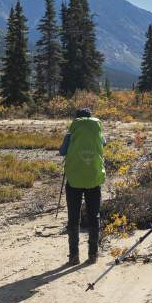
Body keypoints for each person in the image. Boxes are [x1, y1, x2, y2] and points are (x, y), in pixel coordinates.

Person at [58, 107, 105, 266]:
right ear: (91, 118)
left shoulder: (71, 133)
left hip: (74, 180)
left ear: (76, 120)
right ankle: (93, 255)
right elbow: (103, 145)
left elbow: (62, 152)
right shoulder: (97, 131)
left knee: (73, 217)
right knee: (94, 215)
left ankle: (73, 256)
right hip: (93, 179)